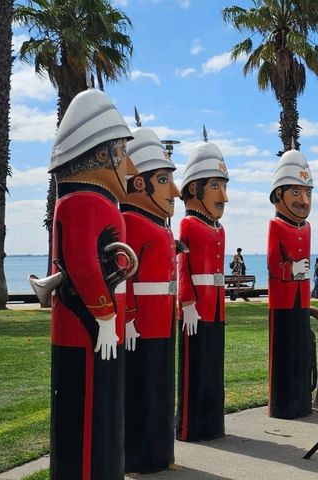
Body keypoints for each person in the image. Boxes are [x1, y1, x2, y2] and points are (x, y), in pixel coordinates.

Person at [47, 87, 136, 479]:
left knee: (104, 407)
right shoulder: (84, 202)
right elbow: (82, 264)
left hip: (102, 323)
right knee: (87, 412)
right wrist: (103, 314)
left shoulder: (96, 202)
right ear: (102, 154)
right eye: (122, 152)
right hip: (87, 325)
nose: (130, 169)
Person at [121, 125, 181, 473]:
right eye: (163, 180)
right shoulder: (130, 220)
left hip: (163, 320)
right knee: (143, 386)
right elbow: (125, 272)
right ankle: (141, 455)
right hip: (142, 322)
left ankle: (161, 451)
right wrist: (128, 315)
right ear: (139, 183)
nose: (173, 191)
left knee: (161, 386)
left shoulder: (161, 226)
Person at [176, 132, 229, 441]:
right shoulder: (189, 224)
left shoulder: (217, 227)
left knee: (213, 369)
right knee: (194, 369)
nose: (223, 197)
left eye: (223, 186)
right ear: (194, 189)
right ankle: (190, 425)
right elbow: (183, 265)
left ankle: (212, 422)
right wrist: (187, 301)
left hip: (216, 309)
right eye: (216, 186)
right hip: (197, 309)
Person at [267, 146, 314, 419]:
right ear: (278, 195)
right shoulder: (277, 226)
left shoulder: (306, 227)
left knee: (300, 350)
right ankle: (283, 403)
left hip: (302, 297)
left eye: (308, 192)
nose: (304, 200)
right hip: (282, 300)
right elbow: (274, 264)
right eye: (295, 192)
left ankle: (301, 400)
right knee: (283, 352)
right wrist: (292, 269)